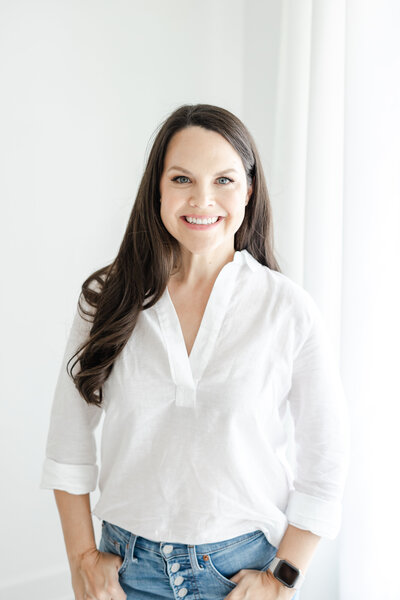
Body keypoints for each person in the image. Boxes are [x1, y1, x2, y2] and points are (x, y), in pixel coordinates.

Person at [40, 103, 351, 600]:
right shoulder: (107, 299)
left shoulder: (287, 309)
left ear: (248, 190)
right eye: (182, 178)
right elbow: (67, 445)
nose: (202, 199)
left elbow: (325, 463)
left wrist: (281, 579)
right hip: (125, 573)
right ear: (158, 189)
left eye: (224, 180)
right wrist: (81, 561)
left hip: (240, 573)